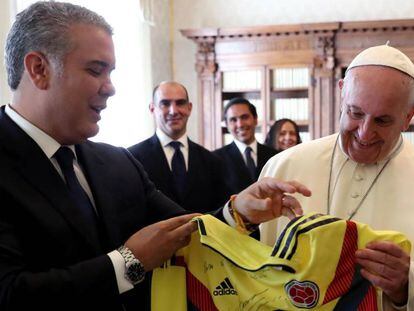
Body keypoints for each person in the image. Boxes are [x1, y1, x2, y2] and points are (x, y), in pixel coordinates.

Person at [0, 2, 311, 310]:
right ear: (39, 69)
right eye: (96, 70)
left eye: (111, 73)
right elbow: (11, 293)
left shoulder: (117, 163)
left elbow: (182, 233)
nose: (110, 89)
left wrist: (238, 212)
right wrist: (128, 263)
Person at [260, 44, 414, 310]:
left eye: (382, 121)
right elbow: (255, 271)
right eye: (355, 113)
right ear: (342, 93)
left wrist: (406, 284)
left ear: (408, 117)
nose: (365, 133)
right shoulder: (284, 166)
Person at [128, 81, 229, 213]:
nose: (173, 111)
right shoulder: (132, 159)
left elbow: (219, 211)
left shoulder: (211, 161)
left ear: (189, 108)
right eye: (165, 104)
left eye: (180, 103)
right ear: (152, 109)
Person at [214, 97, 277, 195]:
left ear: (255, 119)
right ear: (227, 125)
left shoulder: (274, 156)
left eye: (244, 117)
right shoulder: (215, 159)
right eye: (233, 120)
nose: (240, 124)